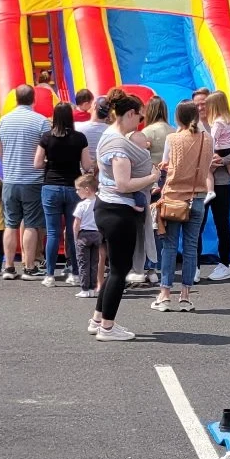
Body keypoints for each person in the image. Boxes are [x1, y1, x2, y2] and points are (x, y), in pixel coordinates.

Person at [90, 92, 157, 340]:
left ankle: (98, 319)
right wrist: (151, 178)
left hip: (106, 206)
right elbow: (123, 183)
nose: (139, 123)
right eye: (139, 117)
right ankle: (108, 327)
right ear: (129, 114)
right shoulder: (118, 144)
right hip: (118, 209)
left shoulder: (108, 136)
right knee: (120, 270)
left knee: (114, 268)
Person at [152, 100, 213, 312]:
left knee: (169, 246)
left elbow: (167, 165)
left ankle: (165, 294)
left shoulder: (173, 138)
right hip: (197, 197)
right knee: (190, 247)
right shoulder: (208, 139)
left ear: (178, 118)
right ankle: (185, 296)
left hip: (174, 197)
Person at [0, 82, 50, 277]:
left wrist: (8, 163)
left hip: (10, 179)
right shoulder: (41, 121)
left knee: (10, 224)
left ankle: (9, 266)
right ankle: (29, 266)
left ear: (16, 99)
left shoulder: (3, 121)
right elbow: (47, 149)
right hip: (33, 180)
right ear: (33, 99)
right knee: (31, 224)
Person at [35, 100, 89, 286]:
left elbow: (37, 163)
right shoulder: (80, 138)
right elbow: (87, 165)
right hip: (73, 187)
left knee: (52, 232)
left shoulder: (46, 137)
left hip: (50, 186)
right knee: (73, 231)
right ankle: (74, 272)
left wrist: (50, 162)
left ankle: (49, 274)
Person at [203, 87, 230, 280]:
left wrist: (225, 159)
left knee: (222, 224)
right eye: (197, 104)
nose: (201, 107)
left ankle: (225, 262)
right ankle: (193, 264)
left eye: (203, 104)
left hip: (222, 183)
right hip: (200, 184)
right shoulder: (196, 125)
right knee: (197, 225)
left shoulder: (224, 123)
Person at [73, 173, 100, 296]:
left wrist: (75, 237)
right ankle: (93, 288)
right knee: (94, 263)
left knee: (83, 263)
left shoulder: (82, 205)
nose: (77, 192)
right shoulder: (100, 202)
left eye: (78, 189)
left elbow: (76, 223)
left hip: (84, 235)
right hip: (97, 234)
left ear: (87, 190)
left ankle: (85, 289)